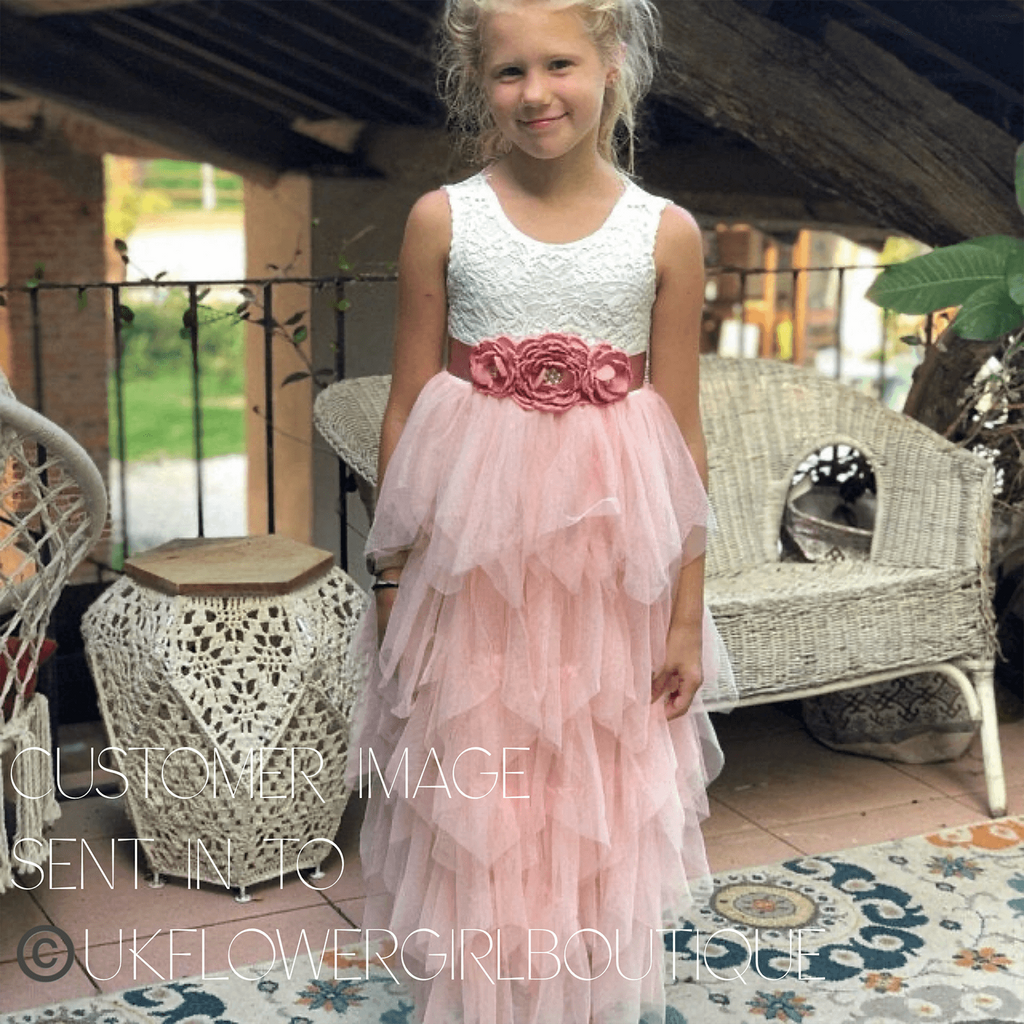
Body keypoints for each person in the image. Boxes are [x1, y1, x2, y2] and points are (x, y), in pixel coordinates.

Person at [348, 1, 736, 1020]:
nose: (535, 93)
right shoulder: (443, 218)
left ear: (612, 62)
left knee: (589, 791)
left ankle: (578, 996)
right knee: (482, 790)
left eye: (558, 63)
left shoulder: (664, 233)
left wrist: (686, 612)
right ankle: (486, 997)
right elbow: (406, 408)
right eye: (508, 72)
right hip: (474, 574)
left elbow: (682, 439)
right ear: (478, 84)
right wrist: (394, 575)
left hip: (610, 572)